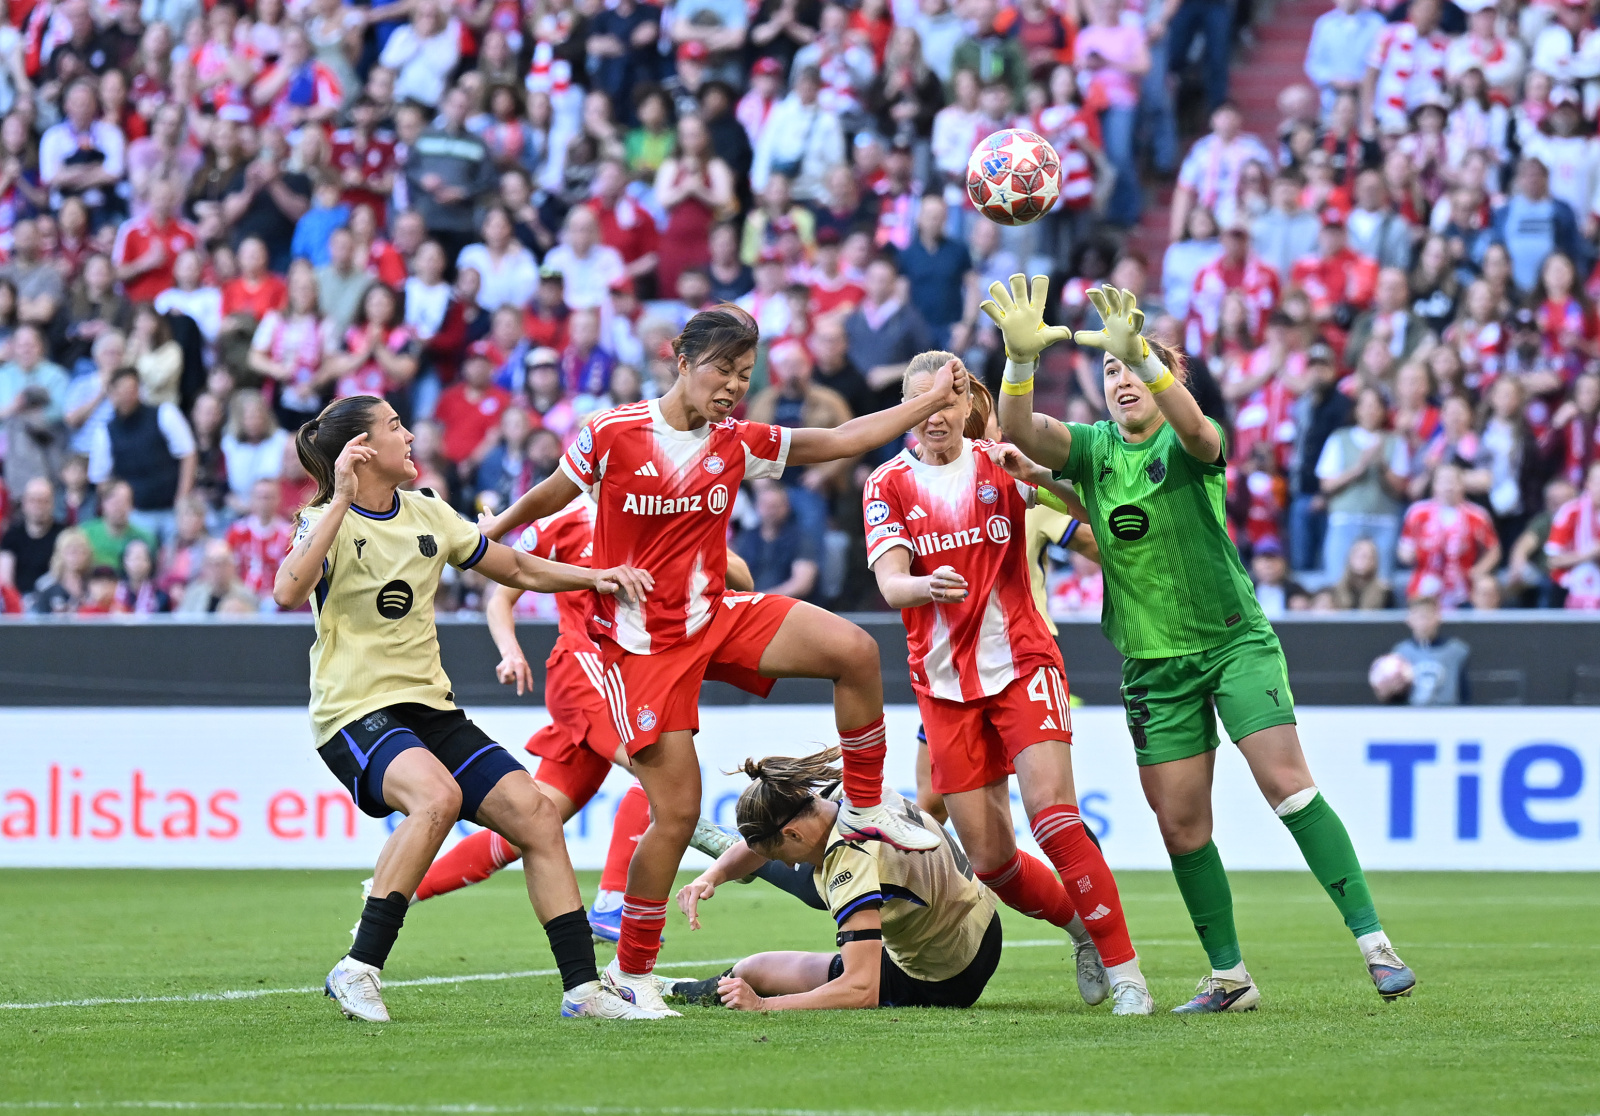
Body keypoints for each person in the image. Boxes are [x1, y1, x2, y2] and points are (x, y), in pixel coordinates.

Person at [480, 305, 956, 1013]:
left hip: (718, 617)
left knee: (853, 650)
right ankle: (632, 973)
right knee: (676, 814)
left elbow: (843, 437)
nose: (734, 386)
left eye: (744, 374)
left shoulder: (737, 441)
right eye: (723, 369)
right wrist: (494, 528)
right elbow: (555, 489)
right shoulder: (611, 434)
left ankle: (860, 809)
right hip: (640, 647)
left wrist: (926, 401)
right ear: (680, 359)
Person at [990, 274, 1416, 1010]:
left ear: (1168, 376)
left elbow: (1200, 433)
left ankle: (1376, 945)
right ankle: (1229, 978)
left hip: (1232, 644)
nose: (1121, 379)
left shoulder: (1188, 443)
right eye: (1112, 368)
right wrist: (1020, 363)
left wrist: (1149, 360)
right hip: (1155, 667)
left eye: (1135, 366)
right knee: (1182, 825)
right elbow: (1022, 432)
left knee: (1287, 785)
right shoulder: (1092, 451)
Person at [271, 393, 663, 1023]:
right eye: (395, 427)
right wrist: (339, 497)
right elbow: (287, 590)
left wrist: (593, 576)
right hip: (354, 711)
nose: (410, 435)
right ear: (363, 451)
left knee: (537, 816)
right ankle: (358, 967)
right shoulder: (325, 519)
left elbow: (515, 568)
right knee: (437, 799)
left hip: (430, 707)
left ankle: (583, 992)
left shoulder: (429, 511)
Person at [861, 347, 1152, 1012]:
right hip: (943, 685)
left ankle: (1127, 971)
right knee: (991, 861)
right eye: (926, 402)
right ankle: (1081, 927)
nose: (939, 414)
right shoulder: (887, 485)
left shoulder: (999, 463)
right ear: (913, 411)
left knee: (1054, 817)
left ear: (968, 406)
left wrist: (1046, 480)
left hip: (1022, 661)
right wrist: (920, 585)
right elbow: (889, 581)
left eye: (949, 401)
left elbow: (1092, 519)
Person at [411, 496, 763, 938]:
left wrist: (698, 539)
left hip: (631, 674)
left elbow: (744, 579)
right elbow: (501, 598)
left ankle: (395, 889)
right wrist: (510, 651)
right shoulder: (563, 522)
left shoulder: (664, 514)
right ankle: (617, 901)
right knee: (659, 772)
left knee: (537, 817)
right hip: (584, 671)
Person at [667, 749, 1002, 1011]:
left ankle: (679, 988)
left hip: (946, 977)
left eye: (782, 855)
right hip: (982, 924)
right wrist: (714, 875)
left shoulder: (851, 866)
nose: (789, 863)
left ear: (792, 833)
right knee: (762, 955)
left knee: (754, 969)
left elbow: (861, 989)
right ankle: (740, 858)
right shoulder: (846, 792)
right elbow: (797, 835)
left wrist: (763, 1005)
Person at [1397, 462, 1500, 608]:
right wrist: (1409, 554)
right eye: (1443, 481)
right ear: (1434, 485)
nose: (1448, 487)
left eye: (1453, 481)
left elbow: (1494, 550)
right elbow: (1405, 548)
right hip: (1426, 584)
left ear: (1462, 485)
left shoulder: (1477, 515)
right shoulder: (1417, 513)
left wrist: (1477, 571)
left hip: (1463, 586)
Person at [1378, 595, 1469, 705]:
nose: (1423, 621)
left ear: (1438, 617)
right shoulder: (1400, 653)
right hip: (1411, 715)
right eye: (1418, 616)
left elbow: (1465, 692)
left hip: (1446, 714)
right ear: (1409, 619)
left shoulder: (1455, 650)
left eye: (1427, 616)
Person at [1546, 460, 1600, 610]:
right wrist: (1589, 554)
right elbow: (1553, 560)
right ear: (1588, 484)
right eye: (1598, 482)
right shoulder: (1570, 512)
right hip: (1570, 585)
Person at [1, 476, 63, 597]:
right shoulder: (12, 536)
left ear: (52, 503)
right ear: (24, 503)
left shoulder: (62, 534)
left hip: (53, 601)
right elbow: (6, 579)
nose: (37, 505)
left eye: (43, 501)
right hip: (18, 603)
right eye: (32, 500)